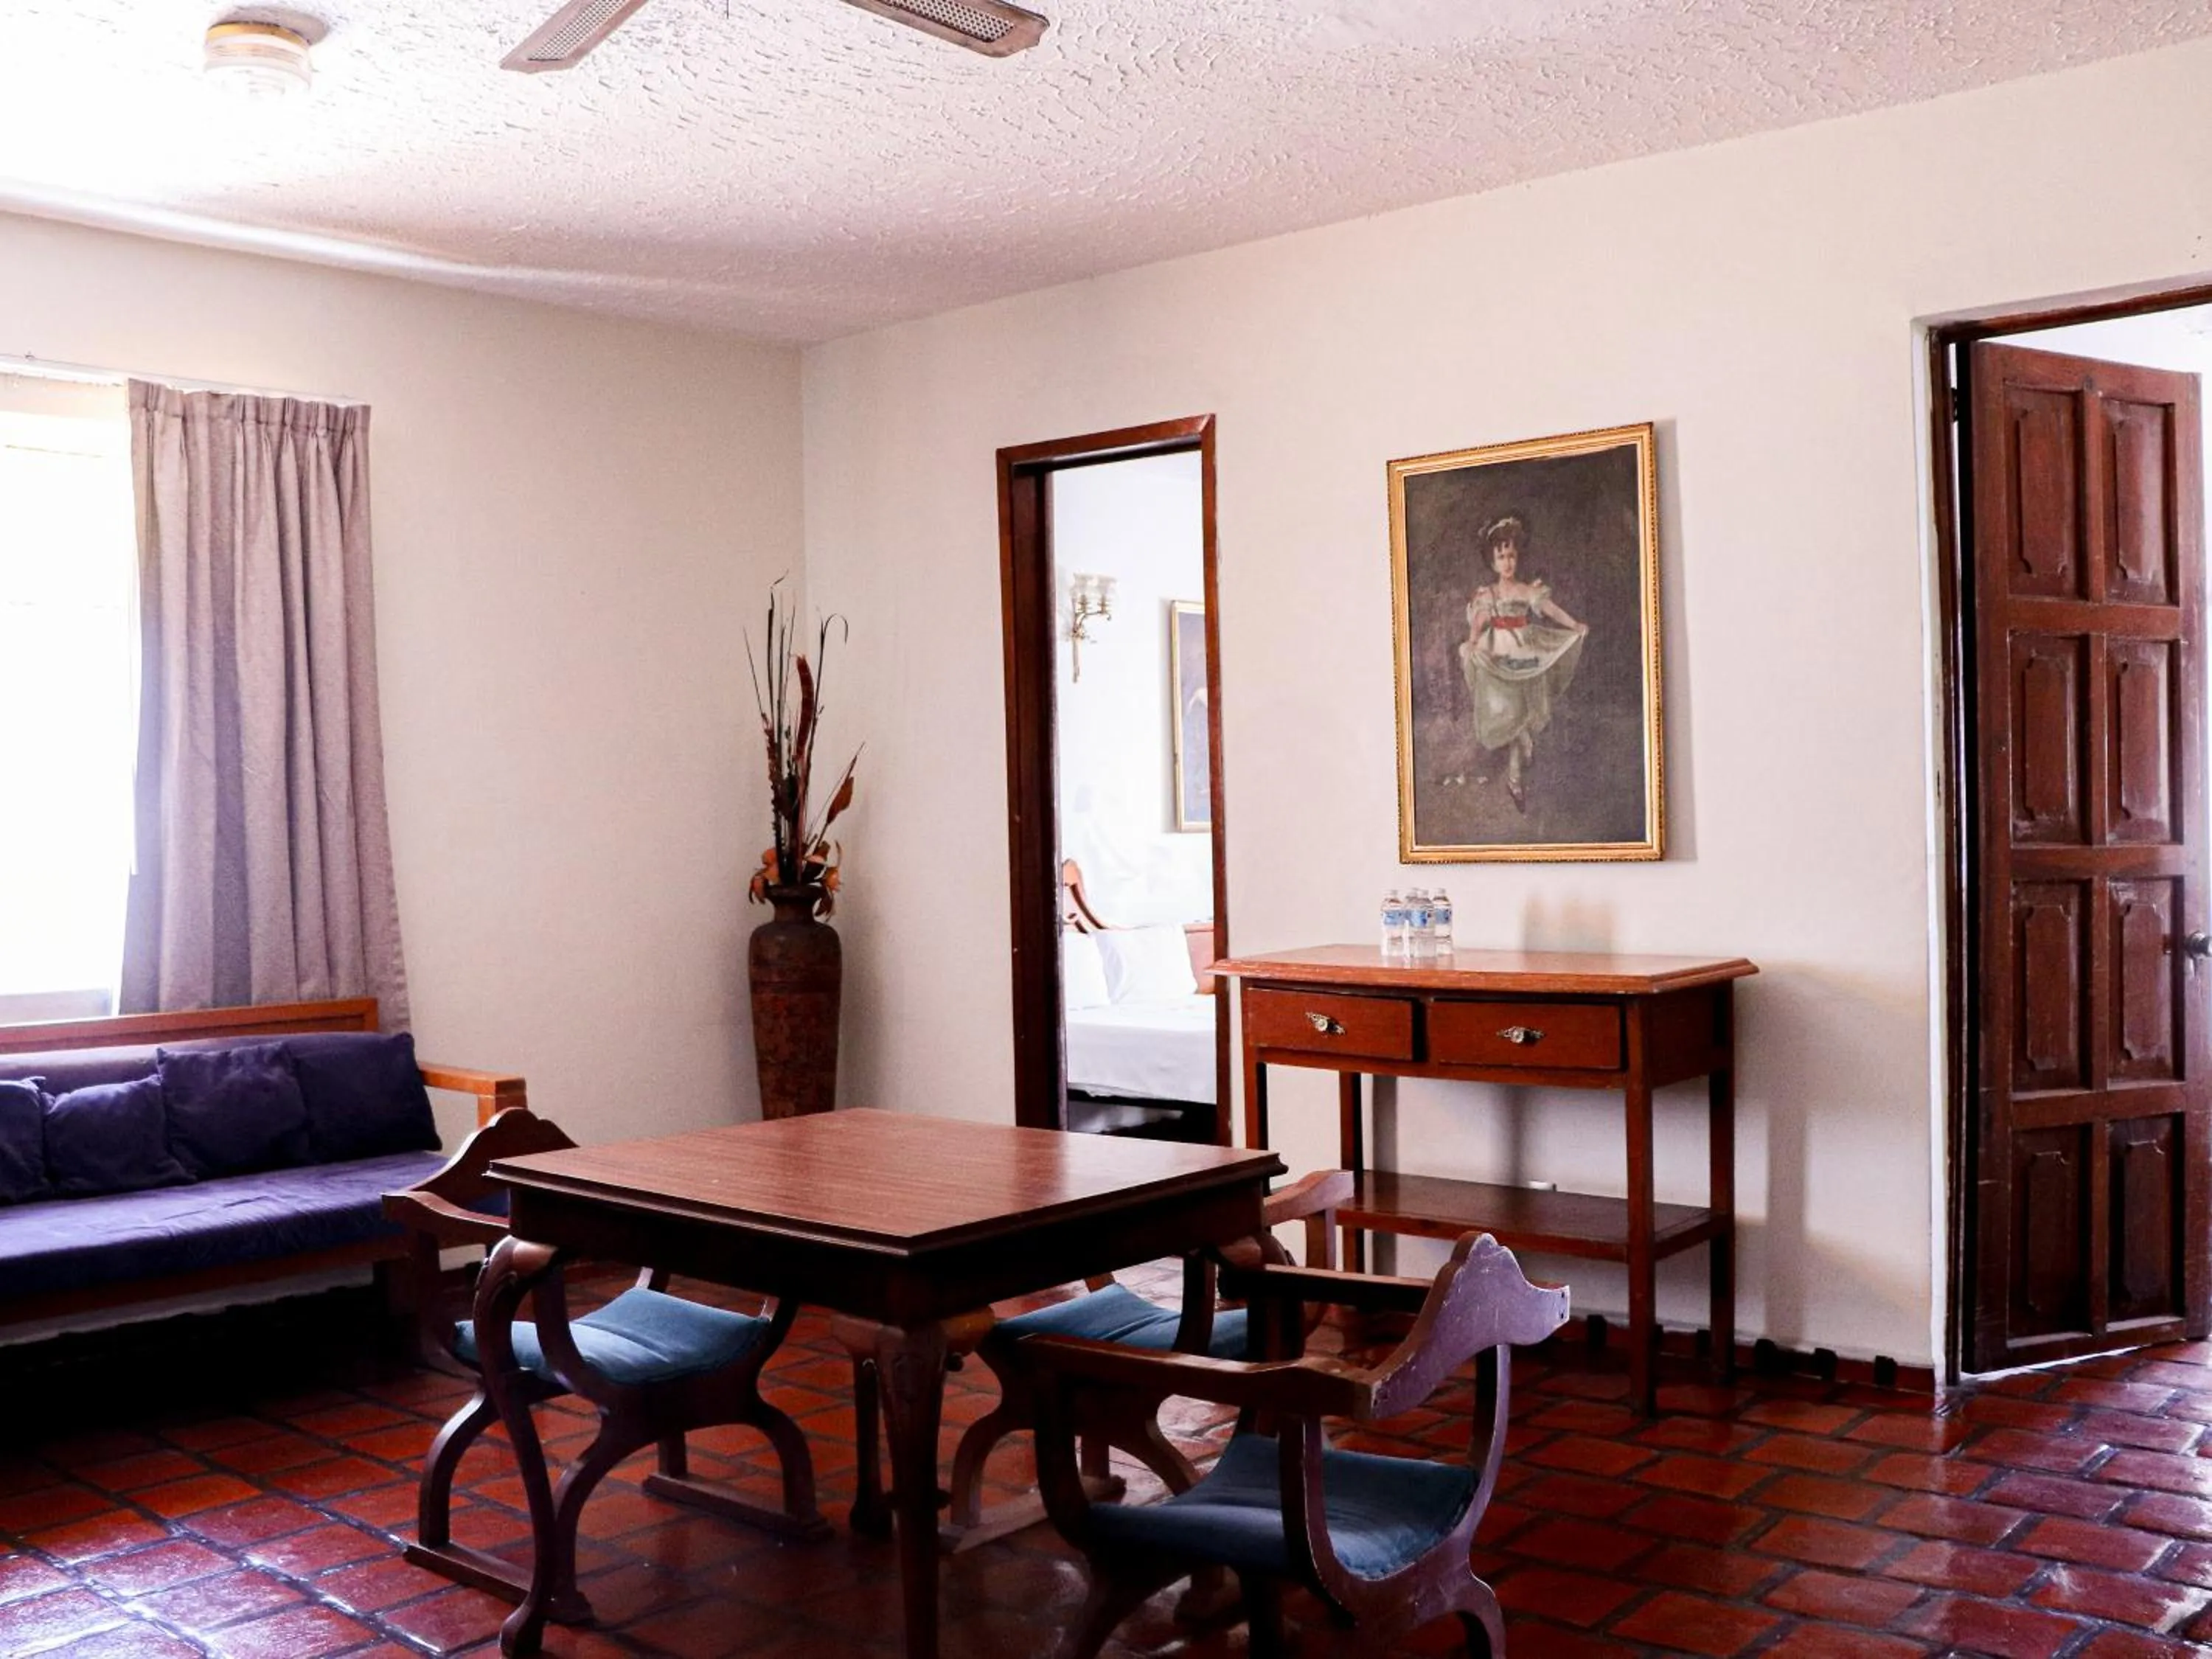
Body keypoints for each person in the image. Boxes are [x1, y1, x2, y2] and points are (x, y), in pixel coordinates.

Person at [1458, 513, 1587, 811]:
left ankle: (1515, 776)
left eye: (1511, 556)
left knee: (1527, 704)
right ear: (1492, 561)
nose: (1507, 562)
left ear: (1517, 558)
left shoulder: (1526, 590)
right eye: (1501, 557)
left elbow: (1551, 609)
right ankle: (1520, 744)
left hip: (1526, 651)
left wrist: (1574, 625)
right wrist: (1472, 642)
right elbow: (1479, 622)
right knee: (1508, 708)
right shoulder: (1488, 594)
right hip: (1499, 653)